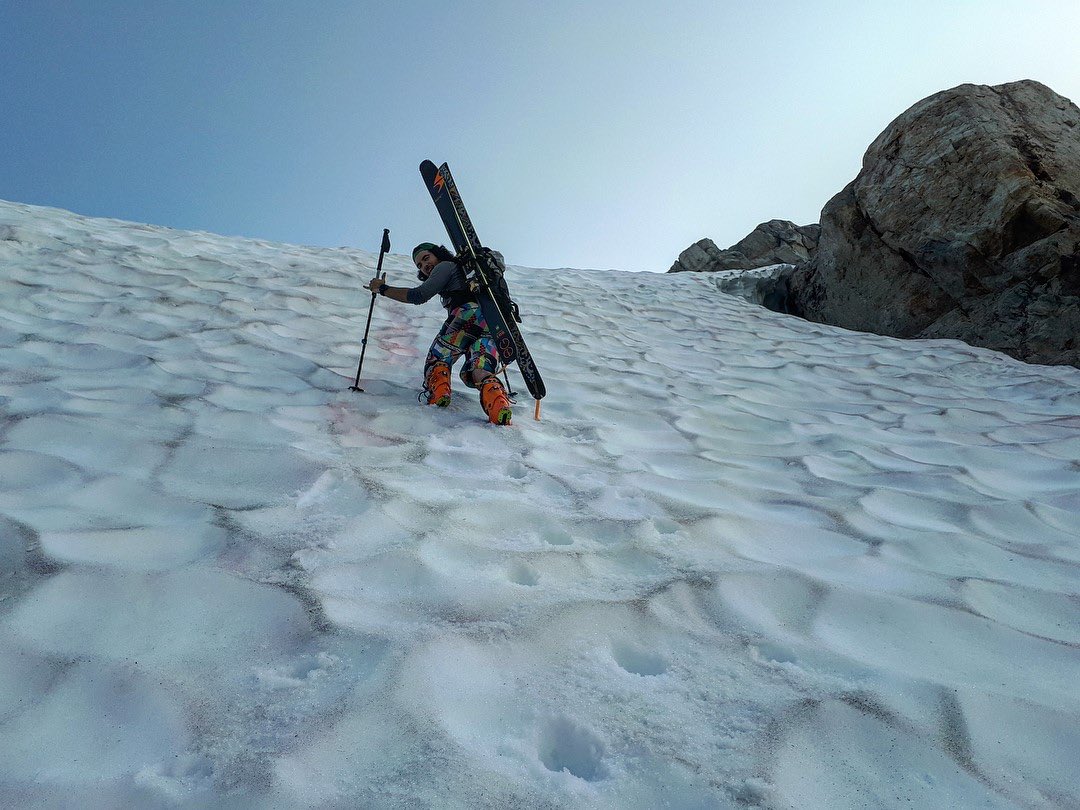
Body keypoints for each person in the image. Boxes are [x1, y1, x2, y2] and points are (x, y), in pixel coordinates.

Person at [368, 242, 513, 425]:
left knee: (437, 359)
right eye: (420, 265)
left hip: (467, 315)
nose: (424, 266)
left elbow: (419, 295)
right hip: (493, 323)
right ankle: (498, 405)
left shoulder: (446, 266)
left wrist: (382, 289)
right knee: (480, 368)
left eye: (426, 258)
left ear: (437, 254)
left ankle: (439, 395)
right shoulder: (466, 273)